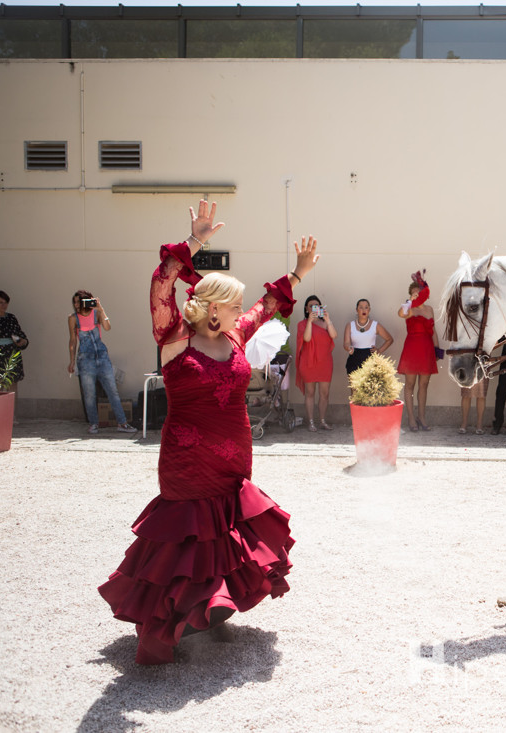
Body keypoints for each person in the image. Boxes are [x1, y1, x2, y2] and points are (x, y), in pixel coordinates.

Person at [99, 200, 316, 665]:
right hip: (187, 456)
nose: (241, 312)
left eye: (239, 306)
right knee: (186, 533)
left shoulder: (235, 334)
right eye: (233, 305)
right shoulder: (175, 336)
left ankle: (212, 605)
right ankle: (167, 619)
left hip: (234, 453)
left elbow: (269, 304)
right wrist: (194, 241)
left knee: (225, 530)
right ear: (213, 308)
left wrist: (297, 273)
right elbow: (161, 284)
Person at [66, 290, 137, 434]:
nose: (76, 305)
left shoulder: (96, 314)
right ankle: (93, 423)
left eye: (79, 301)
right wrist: (72, 361)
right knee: (89, 394)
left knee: (112, 391)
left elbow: (107, 327)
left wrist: (101, 309)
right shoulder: (73, 318)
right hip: (85, 360)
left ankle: (122, 423)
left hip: (102, 357)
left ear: (87, 301)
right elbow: (72, 340)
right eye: (74, 302)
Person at [397, 270, 439, 431]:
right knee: (410, 384)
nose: (417, 295)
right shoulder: (409, 309)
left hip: (427, 348)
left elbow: (433, 330)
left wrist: (437, 350)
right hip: (412, 348)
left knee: (424, 384)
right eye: (414, 293)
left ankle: (422, 417)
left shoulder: (429, 310)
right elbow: (400, 314)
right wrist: (409, 302)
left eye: (419, 292)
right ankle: (411, 419)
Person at [295, 295, 337, 431]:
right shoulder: (302, 324)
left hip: (324, 362)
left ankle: (323, 421)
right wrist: (310, 322)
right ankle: (311, 422)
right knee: (310, 392)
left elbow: (334, 335)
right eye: (312, 306)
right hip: (308, 363)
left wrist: (328, 319)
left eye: (317, 306)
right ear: (306, 309)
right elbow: (306, 338)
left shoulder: (325, 323)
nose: (315, 308)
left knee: (325, 393)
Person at [0, 290, 28, 408]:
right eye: (1, 303)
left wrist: (22, 341)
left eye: (6, 303)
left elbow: (20, 335)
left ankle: (11, 416)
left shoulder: (11, 318)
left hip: (11, 355)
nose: (4, 306)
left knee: (11, 387)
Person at [343, 298, 394, 380]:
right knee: (354, 389)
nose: (364, 310)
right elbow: (346, 343)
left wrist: (379, 350)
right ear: (356, 310)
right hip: (354, 358)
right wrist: (349, 348)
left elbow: (389, 339)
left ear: (369, 310)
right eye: (361, 307)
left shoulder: (375, 325)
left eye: (366, 307)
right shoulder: (350, 325)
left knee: (369, 389)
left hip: (370, 358)